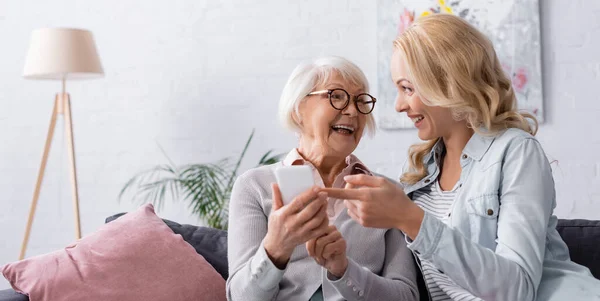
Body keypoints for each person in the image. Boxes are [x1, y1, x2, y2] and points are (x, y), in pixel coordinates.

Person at [323, 14, 600, 301]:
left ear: (448, 83)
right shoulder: (417, 172)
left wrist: (410, 218)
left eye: (407, 88)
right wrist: (341, 268)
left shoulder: (516, 151)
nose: (398, 105)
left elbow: (516, 289)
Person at [226, 56, 419, 301]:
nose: (352, 111)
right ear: (298, 110)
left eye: (360, 101)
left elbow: (407, 296)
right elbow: (241, 297)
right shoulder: (254, 186)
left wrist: (344, 270)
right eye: (336, 96)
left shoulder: (387, 193)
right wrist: (275, 249)